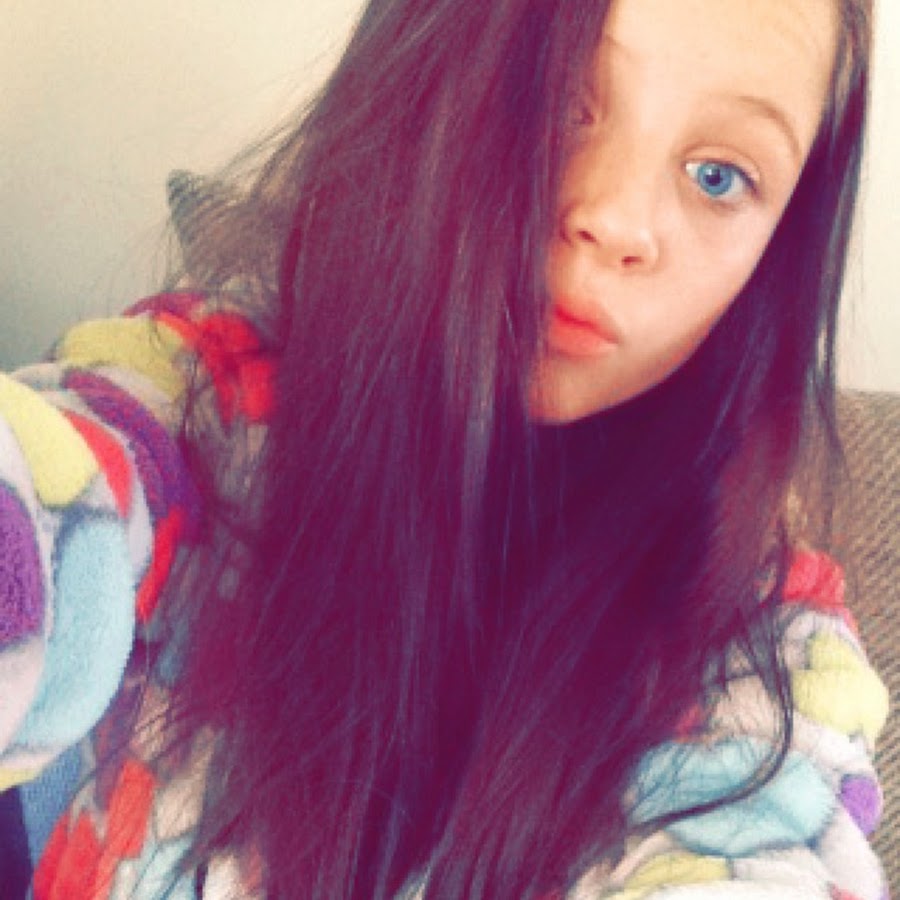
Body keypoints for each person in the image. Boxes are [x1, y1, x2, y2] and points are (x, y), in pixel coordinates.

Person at [0, 0, 889, 896]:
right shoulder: (202, 399)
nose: (620, 222)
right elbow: (57, 502)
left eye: (718, 176)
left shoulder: (759, 650)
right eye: (561, 101)